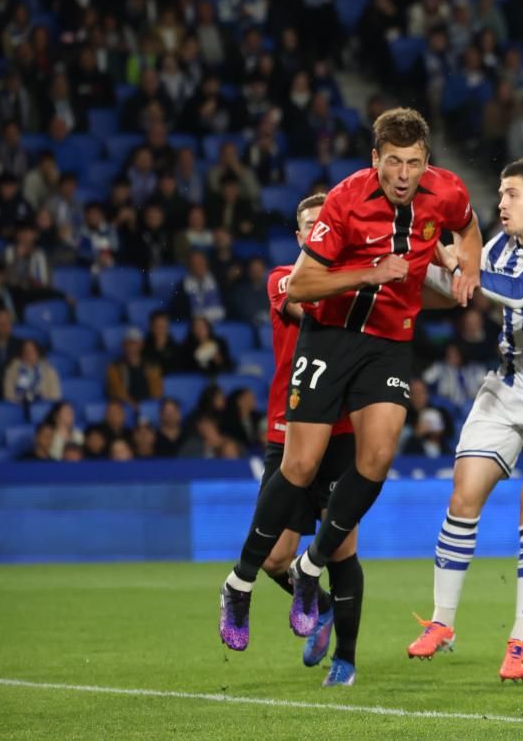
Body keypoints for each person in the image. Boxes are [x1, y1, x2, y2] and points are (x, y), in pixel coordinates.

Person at [219, 108, 480, 689]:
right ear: (375, 160)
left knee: (379, 458)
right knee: (299, 464)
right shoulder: (343, 201)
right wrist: (368, 273)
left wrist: (469, 266)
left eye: (415, 163)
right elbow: (305, 284)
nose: (405, 175)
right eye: (394, 163)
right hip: (331, 339)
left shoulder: (447, 192)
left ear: (427, 162)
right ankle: (238, 585)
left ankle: (317, 578)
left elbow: (468, 224)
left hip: (387, 345)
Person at [406, 159, 523, 683]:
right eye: (499, 193)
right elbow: (462, 290)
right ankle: (443, 624)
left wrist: (457, 263)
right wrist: (422, 264)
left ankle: (521, 642)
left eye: (511, 194)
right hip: (504, 390)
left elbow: (513, 292)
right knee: (462, 497)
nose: (501, 203)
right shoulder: (497, 246)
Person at [219, 193, 362, 683]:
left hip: (342, 428)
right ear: (301, 236)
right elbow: (313, 312)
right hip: (291, 427)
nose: (317, 229)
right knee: (276, 557)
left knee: (343, 550)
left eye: (326, 223)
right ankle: (316, 602)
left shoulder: (353, 281)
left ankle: (345, 659)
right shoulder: (283, 278)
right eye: (309, 225)